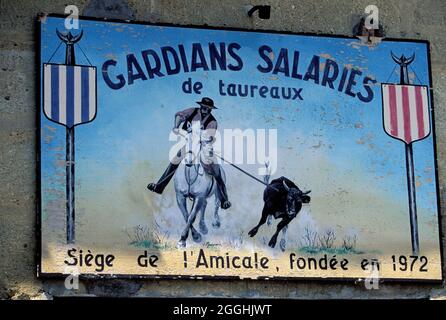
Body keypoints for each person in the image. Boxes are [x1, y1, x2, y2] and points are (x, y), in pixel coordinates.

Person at [147, 97, 231, 209]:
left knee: (216, 170)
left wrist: (204, 139)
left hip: (204, 146)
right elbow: (180, 115)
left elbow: (210, 136)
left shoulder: (212, 122)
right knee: (175, 160)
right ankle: (159, 186)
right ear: (201, 106)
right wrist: (176, 126)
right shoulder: (192, 111)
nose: (205, 109)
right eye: (204, 107)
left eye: (208, 108)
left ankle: (224, 199)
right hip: (190, 143)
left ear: (211, 109)